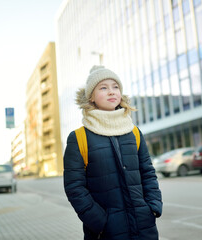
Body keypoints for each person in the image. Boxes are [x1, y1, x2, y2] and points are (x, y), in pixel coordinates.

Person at [63, 65, 163, 240]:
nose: (111, 92)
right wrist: (100, 222)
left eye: (115, 87)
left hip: (143, 227)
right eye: (103, 87)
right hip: (106, 232)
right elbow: (74, 187)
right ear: (91, 97)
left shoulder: (134, 132)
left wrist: (153, 207)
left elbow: (148, 173)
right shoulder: (79, 138)